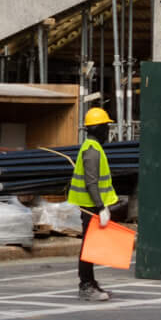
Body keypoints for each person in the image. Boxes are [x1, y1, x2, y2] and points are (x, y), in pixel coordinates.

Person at [69, 107, 119, 302]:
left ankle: (90, 282)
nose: (108, 130)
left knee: (92, 245)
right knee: (89, 247)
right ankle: (86, 285)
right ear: (97, 128)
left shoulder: (94, 147)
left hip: (91, 206)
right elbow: (91, 182)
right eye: (106, 126)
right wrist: (100, 207)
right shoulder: (91, 151)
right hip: (90, 206)